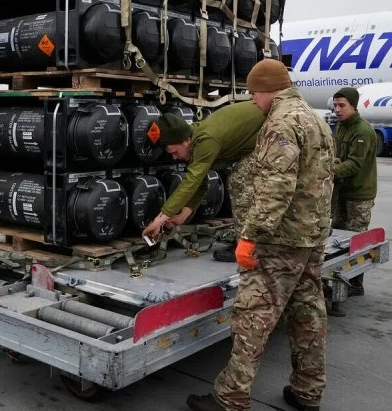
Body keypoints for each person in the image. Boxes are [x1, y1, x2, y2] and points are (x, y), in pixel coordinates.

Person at [187, 59, 335, 411]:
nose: (253, 101)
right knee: (308, 314)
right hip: (311, 236)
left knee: (253, 316)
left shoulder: (282, 122)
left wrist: (251, 235)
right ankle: (307, 392)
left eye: (253, 93)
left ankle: (230, 398)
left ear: (268, 89)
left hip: (279, 240)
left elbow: (276, 186)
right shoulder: (316, 119)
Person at [142, 101, 265, 263]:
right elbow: (200, 184)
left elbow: (192, 181)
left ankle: (250, 247)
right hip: (259, 139)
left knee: (239, 182)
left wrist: (160, 219)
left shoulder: (205, 140)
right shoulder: (195, 140)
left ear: (186, 141)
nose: (174, 157)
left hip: (272, 133)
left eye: (175, 152)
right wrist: (182, 216)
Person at [328, 86, 377, 316]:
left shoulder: (362, 131)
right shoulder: (341, 127)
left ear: (354, 106)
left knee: (356, 241)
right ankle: (341, 280)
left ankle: (355, 284)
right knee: (338, 239)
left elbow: (354, 164)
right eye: (335, 106)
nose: (337, 110)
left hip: (359, 195)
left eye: (342, 106)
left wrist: (327, 171)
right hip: (342, 192)